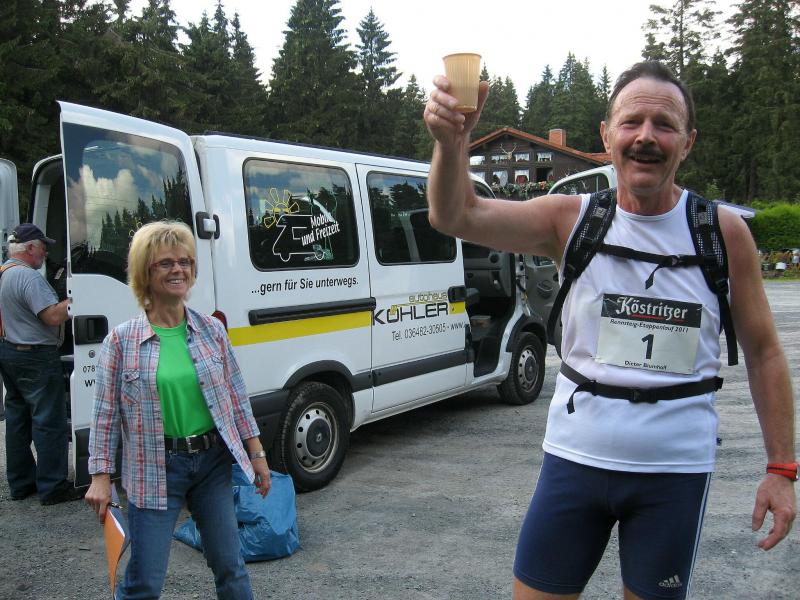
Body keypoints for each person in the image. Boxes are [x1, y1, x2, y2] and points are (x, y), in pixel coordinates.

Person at [424, 61, 796, 599]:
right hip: (574, 461)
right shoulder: (570, 220)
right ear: (606, 136)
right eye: (631, 122)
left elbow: (764, 354)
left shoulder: (721, 232)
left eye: (664, 125)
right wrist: (452, 143)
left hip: (674, 472)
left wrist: (781, 468)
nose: (646, 136)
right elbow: (455, 215)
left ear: (687, 143)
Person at [84, 221, 271, 599]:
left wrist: (257, 454)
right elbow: (105, 416)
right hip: (154, 468)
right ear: (145, 272)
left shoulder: (211, 330)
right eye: (166, 263)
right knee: (145, 581)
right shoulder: (121, 341)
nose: (178, 270)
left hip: (211, 463)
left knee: (231, 567)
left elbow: (236, 397)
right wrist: (100, 476)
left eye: (185, 262)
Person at [0, 223, 79, 505]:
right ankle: (53, 487)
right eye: (42, 247)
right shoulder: (28, 277)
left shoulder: (4, 272)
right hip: (34, 356)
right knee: (48, 421)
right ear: (30, 248)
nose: (46, 252)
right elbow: (52, 317)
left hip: (9, 351)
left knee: (17, 419)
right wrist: (76, 299)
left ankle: (21, 483)